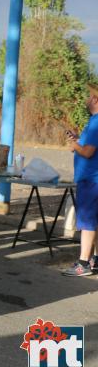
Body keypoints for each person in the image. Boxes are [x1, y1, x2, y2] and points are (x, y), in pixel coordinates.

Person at [63, 84, 98, 276]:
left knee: (86, 222)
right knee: (95, 221)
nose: (86, 98)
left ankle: (83, 263)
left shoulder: (95, 123)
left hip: (91, 180)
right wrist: (77, 140)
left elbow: (87, 151)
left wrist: (73, 144)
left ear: (95, 99)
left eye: (89, 96)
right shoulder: (94, 122)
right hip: (94, 179)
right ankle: (95, 260)